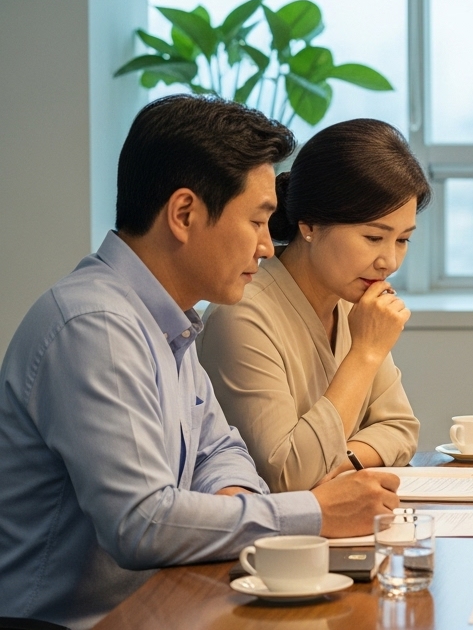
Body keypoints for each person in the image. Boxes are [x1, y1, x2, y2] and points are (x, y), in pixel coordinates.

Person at [0, 96, 400, 629]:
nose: (266, 246)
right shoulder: (97, 326)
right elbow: (142, 523)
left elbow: (219, 449)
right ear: (184, 214)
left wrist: (237, 502)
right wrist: (315, 512)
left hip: (163, 603)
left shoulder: (165, 317)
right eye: (257, 221)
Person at [199, 119, 427, 492]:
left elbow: (400, 429)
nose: (389, 262)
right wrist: (365, 353)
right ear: (310, 226)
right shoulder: (241, 315)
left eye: (402, 240)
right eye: (373, 237)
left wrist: (338, 460)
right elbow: (287, 475)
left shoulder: (353, 299)